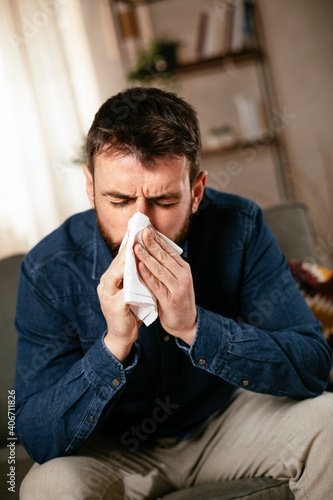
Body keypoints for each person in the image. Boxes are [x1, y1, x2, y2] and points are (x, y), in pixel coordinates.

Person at [16, 87, 332, 499]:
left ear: (196, 192)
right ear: (91, 187)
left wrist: (196, 327)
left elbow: (312, 366)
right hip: (111, 449)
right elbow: (36, 435)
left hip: (222, 422)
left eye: (164, 199)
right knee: (47, 487)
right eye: (118, 199)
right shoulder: (48, 269)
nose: (141, 225)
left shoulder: (241, 226)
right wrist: (112, 346)